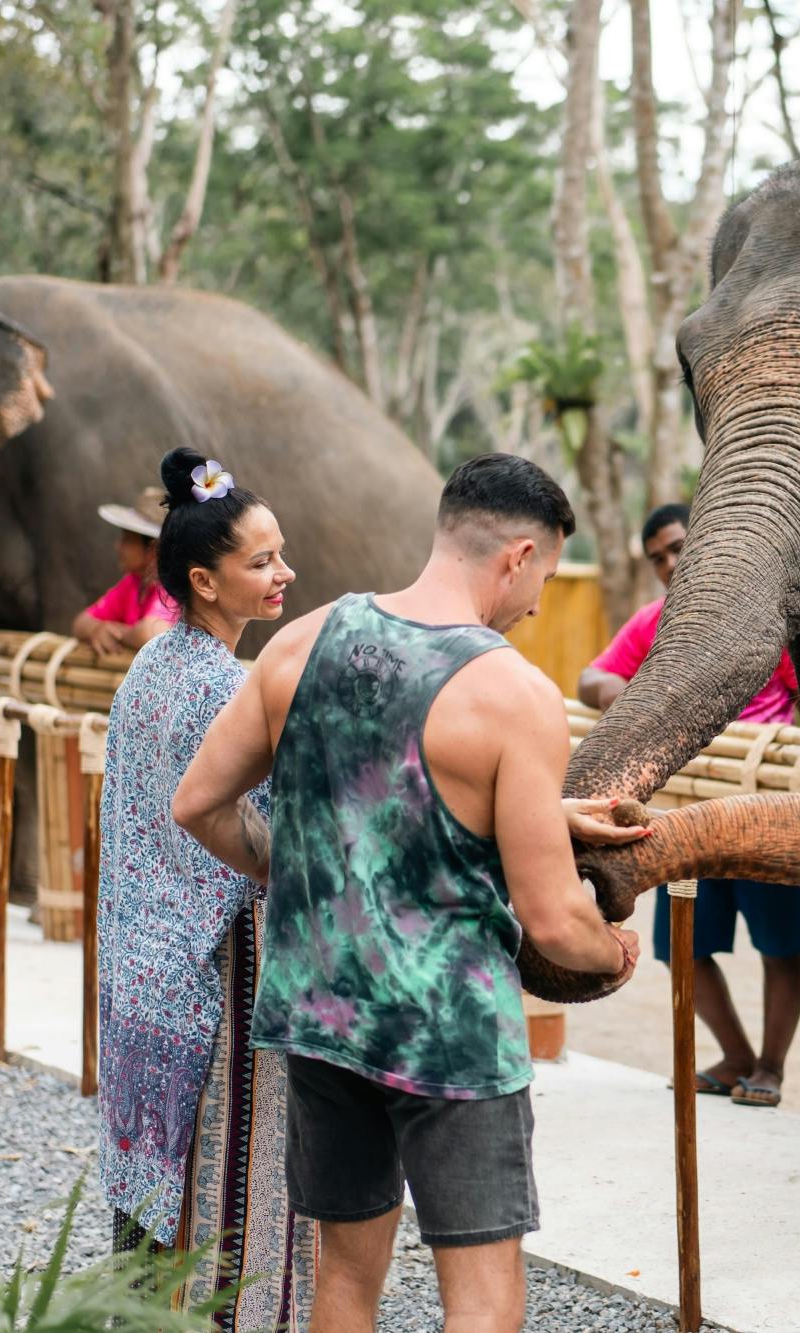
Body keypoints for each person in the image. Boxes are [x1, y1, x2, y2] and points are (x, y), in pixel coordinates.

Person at [174, 453, 643, 1333]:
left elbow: (198, 803)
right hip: (450, 1038)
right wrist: (611, 954)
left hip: (319, 1013)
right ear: (517, 556)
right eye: (540, 574)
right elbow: (551, 919)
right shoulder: (514, 694)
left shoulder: (304, 639)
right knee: (483, 1291)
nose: (538, 600)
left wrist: (308, 870)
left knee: (346, 1280)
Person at [95, 450, 313, 1326]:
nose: (282, 573)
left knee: (151, 1217)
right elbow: (273, 834)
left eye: (280, 552)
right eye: (260, 561)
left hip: (139, 980)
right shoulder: (233, 688)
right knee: (212, 1199)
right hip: (208, 977)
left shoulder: (150, 668)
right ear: (203, 579)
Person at [578, 502, 800, 1109]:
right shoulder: (655, 624)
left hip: (766, 814)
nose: (670, 563)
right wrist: (624, 691)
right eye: (657, 558)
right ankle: (738, 1059)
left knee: (779, 944)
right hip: (685, 817)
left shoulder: (769, 620)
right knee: (684, 948)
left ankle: (770, 1068)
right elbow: (593, 678)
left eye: (677, 547)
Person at [73, 485, 178, 654]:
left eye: (127, 540)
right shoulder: (132, 583)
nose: (118, 547)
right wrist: (97, 629)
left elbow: (154, 634)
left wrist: (117, 632)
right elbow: (81, 623)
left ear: (153, 549)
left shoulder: (173, 586)